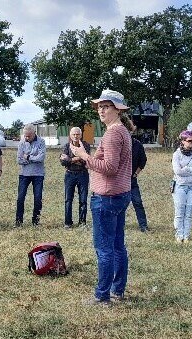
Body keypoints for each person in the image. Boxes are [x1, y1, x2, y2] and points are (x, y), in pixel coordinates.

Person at [70, 89, 132, 306]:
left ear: (118, 110)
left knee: (104, 249)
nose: (101, 110)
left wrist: (83, 155)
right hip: (119, 194)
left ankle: (102, 295)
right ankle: (118, 290)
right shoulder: (122, 131)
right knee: (117, 246)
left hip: (107, 197)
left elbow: (110, 167)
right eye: (100, 106)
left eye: (107, 106)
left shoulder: (113, 133)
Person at [172, 130, 192, 242]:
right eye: (189, 141)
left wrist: (186, 169)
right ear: (182, 141)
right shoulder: (177, 154)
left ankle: (186, 236)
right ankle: (179, 235)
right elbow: (178, 172)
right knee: (180, 210)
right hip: (180, 186)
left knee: (189, 211)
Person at [122, 114, 149, 232]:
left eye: (128, 131)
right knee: (120, 205)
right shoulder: (118, 144)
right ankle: (119, 226)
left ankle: (143, 226)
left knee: (138, 203)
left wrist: (136, 173)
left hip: (132, 181)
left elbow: (143, 160)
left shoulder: (137, 144)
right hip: (119, 180)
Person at [15, 124, 46, 227]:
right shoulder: (21, 142)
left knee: (38, 198)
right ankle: (19, 222)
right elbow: (19, 159)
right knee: (20, 198)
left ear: (34, 134)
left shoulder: (41, 142)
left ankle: (35, 221)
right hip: (24, 174)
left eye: (29, 136)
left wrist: (27, 157)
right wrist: (33, 158)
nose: (27, 138)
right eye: (25, 136)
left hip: (38, 174)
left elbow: (41, 158)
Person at [60, 127, 90, 228]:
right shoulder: (66, 146)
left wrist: (70, 159)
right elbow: (63, 162)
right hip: (70, 175)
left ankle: (82, 223)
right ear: (70, 135)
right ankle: (68, 223)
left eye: (77, 134)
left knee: (83, 199)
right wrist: (78, 157)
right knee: (68, 199)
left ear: (81, 135)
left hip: (83, 174)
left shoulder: (86, 145)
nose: (76, 136)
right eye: (74, 134)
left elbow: (87, 160)